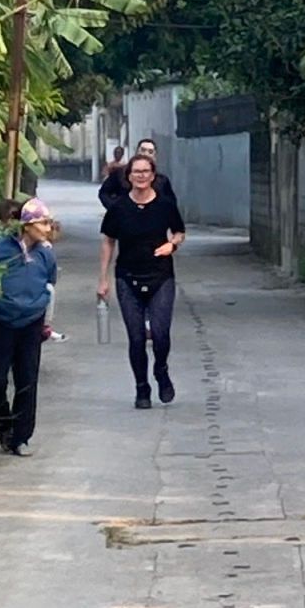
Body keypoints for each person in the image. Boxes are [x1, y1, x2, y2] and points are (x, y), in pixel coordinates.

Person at [98, 153, 186, 409]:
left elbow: (179, 232)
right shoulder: (118, 208)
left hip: (160, 276)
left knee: (160, 334)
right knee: (136, 338)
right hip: (127, 277)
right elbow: (108, 241)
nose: (141, 176)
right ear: (129, 176)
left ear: (153, 175)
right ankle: (141, 388)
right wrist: (103, 279)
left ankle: (161, 370)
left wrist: (172, 245)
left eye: (146, 171)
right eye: (136, 172)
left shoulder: (165, 205)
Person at [0, 198, 57, 456]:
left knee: (27, 379)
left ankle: (21, 436)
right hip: (1, 320)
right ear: (27, 225)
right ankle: (2, 421)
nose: (48, 228)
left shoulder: (45, 254)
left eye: (49, 223)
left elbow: (50, 283)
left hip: (31, 321)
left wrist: (43, 315)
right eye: (43, 223)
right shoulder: (0, 250)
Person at [98, 138, 177, 210]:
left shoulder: (162, 180)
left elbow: (171, 201)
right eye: (143, 150)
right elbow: (104, 193)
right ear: (137, 152)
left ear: (154, 156)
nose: (146, 154)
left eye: (150, 152)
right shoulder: (120, 174)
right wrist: (115, 208)